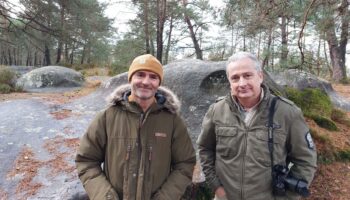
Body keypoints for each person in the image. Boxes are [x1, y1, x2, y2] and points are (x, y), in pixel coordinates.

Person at [197, 52, 317, 200]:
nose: (242, 83)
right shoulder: (217, 110)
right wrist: (217, 187)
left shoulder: (287, 112)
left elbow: (305, 160)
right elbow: (205, 149)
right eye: (235, 78)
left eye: (247, 75)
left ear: (260, 76)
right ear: (229, 81)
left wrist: (287, 197)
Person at [76, 54, 196, 200]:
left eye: (153, 77)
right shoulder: (107, 117)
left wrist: (165, 197)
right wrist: (105, 196)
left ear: (159, 82)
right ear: (130, 78)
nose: (146, 82)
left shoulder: (172, 121)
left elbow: (185, 164)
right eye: (140, 75)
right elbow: (86, 160)